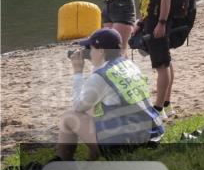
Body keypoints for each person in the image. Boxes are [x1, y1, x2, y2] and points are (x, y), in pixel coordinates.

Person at [54, 28, 164, 162]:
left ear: (101, 51)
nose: (88, 51)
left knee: (69, 117)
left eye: (91, 48)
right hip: (152, 135)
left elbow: (78, 106)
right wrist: (96, 62)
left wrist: (78, 72)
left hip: (126, 145)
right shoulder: (130, 65)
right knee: (93, 109)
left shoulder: (100, 76)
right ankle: (91, 159)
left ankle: (61, 162)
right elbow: (97, 94)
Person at [133, 0, 174, 115]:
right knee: (165, 62)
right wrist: (141, 22)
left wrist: (162, 23)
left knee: (161, 65)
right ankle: (166, 104)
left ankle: (158, 109)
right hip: (151, 18)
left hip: (158, 19)